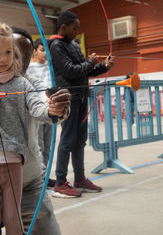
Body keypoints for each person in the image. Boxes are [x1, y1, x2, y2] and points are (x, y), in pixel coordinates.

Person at [0, 25, 70, 235]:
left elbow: (43, 108)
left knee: (15, 219)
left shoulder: (28, 83)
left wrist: (56, 108)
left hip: (27, 180)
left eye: (12, 53)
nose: (6, 60)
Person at [49, 10, 114, 198]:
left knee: (80, 140)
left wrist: (103, 66)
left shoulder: (74, 45)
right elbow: (69, 71)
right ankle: (60, 183)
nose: (77, 31)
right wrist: (90, 62)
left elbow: (85, 72)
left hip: (81, 97)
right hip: (69, 98)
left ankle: (79, 179)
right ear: (63, 27)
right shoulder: (56, 45)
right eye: (74, 28)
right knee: (68, 140)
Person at [26, 38, 55, 187]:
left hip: (50, 110)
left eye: (47, 51)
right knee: (39, 145)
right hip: (37, 111)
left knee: (48, 146)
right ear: (35, 51)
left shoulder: (52, 67)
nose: (45, 54)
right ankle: (40, 177)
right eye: (42, 50)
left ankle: (46, 176)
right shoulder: (29, 67)